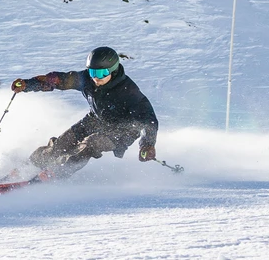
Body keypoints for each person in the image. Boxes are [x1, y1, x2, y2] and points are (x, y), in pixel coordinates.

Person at [10, 46, 158, 182]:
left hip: (121, 131)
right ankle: (28, 167)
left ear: (113, 71)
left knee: (91, 143)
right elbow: (58, 80)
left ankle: (56, 173)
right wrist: (28, 84)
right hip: (96, 119)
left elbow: (148, 120)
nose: (96, 77)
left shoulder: (129, 91)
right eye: (93, 72)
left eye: (101, 73)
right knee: (62, 143)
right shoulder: (86, 79)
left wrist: (147, 145)